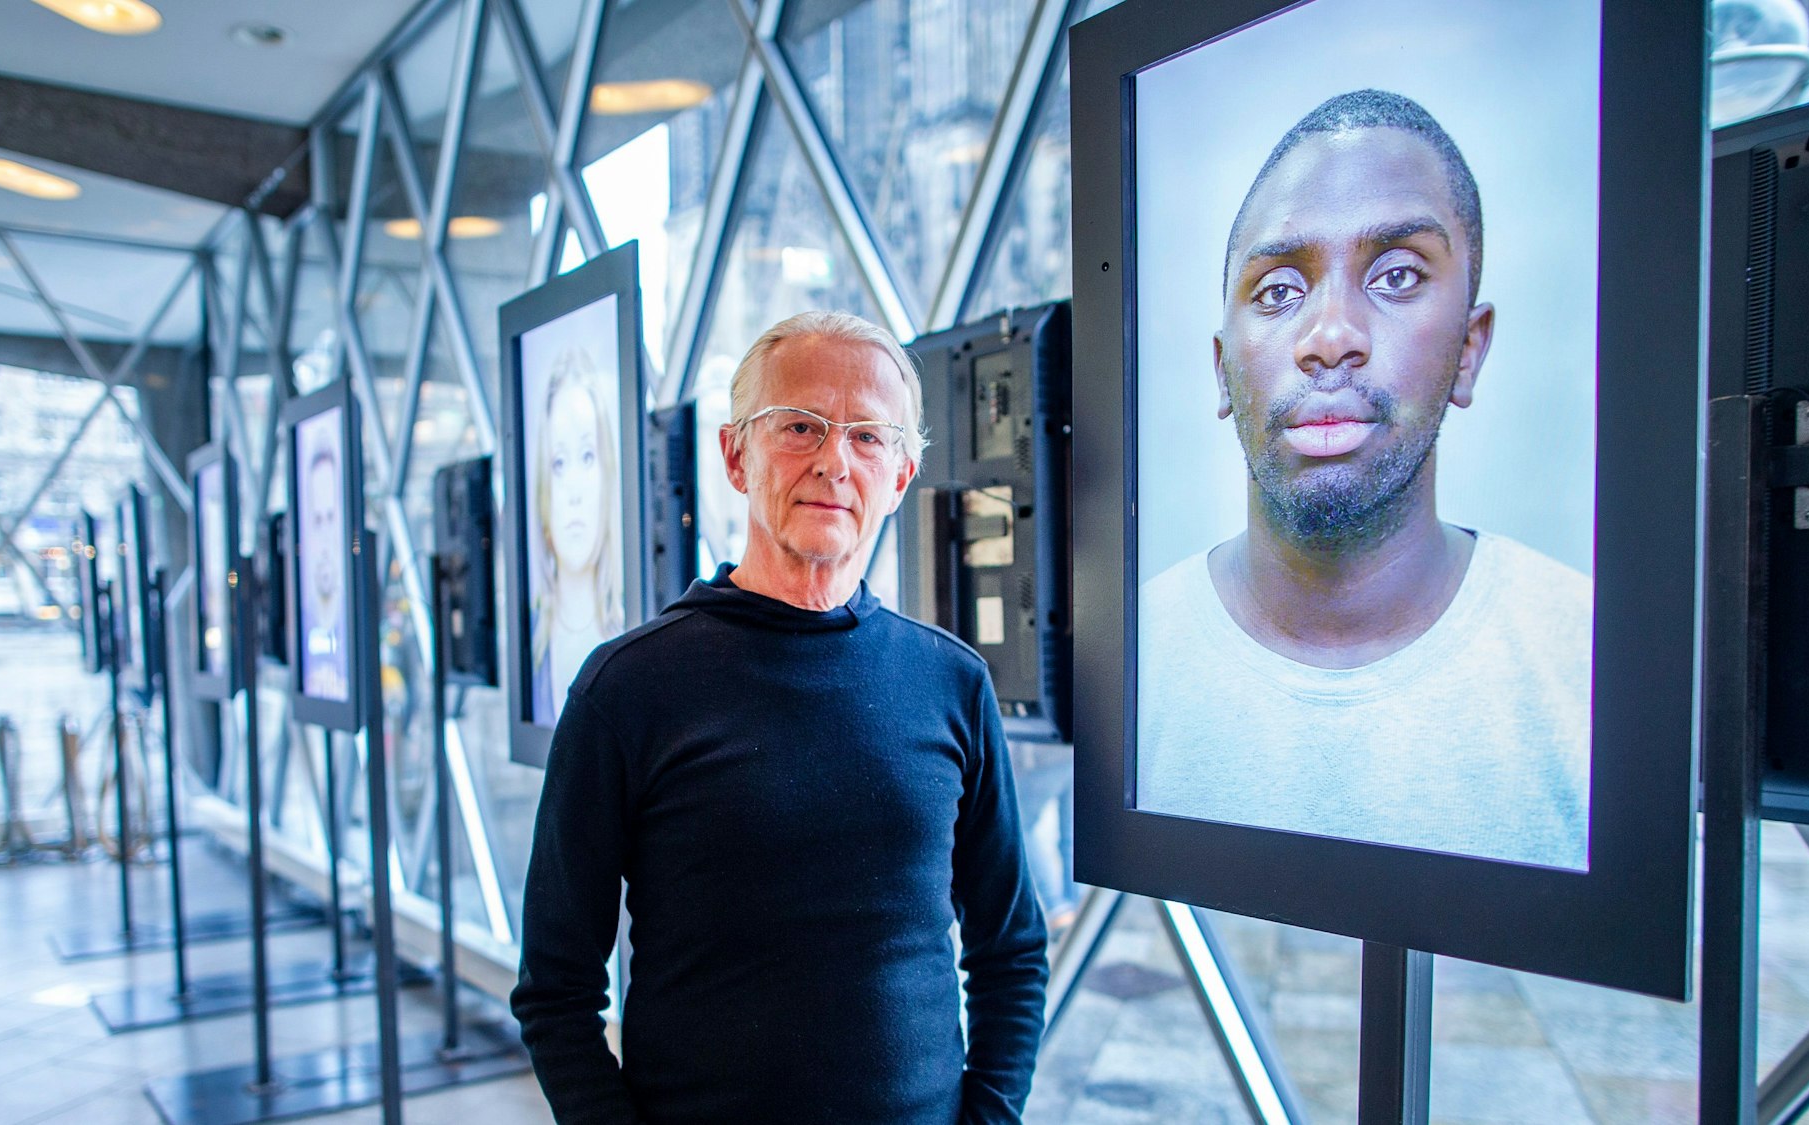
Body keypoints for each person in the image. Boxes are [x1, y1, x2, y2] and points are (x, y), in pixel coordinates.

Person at [512, 311, 1048, 1123]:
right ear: (736, 453)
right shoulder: (627, 689)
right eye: (800, 426)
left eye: (869, 436)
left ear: (901, 476)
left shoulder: (952, 684)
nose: (835, 460)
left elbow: (1010, 953)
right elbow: (556, 989)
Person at [1137, 89, 1592, 871]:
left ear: (1470, 349)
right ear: (1222, 371)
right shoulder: (1127, 665)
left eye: (1398, 276)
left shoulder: (1590, 661)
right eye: (1279, 291)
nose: (1332, 338)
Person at [529, 348, 624, 724]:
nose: (573, 490)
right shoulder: (533, 645)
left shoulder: (635, 637)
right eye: (558, 463)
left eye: (587, 457)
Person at [299, 431, 349, 701]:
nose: (326, 535)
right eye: (318, 518)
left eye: (331, 516)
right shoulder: (304, 615)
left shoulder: (348, 612)